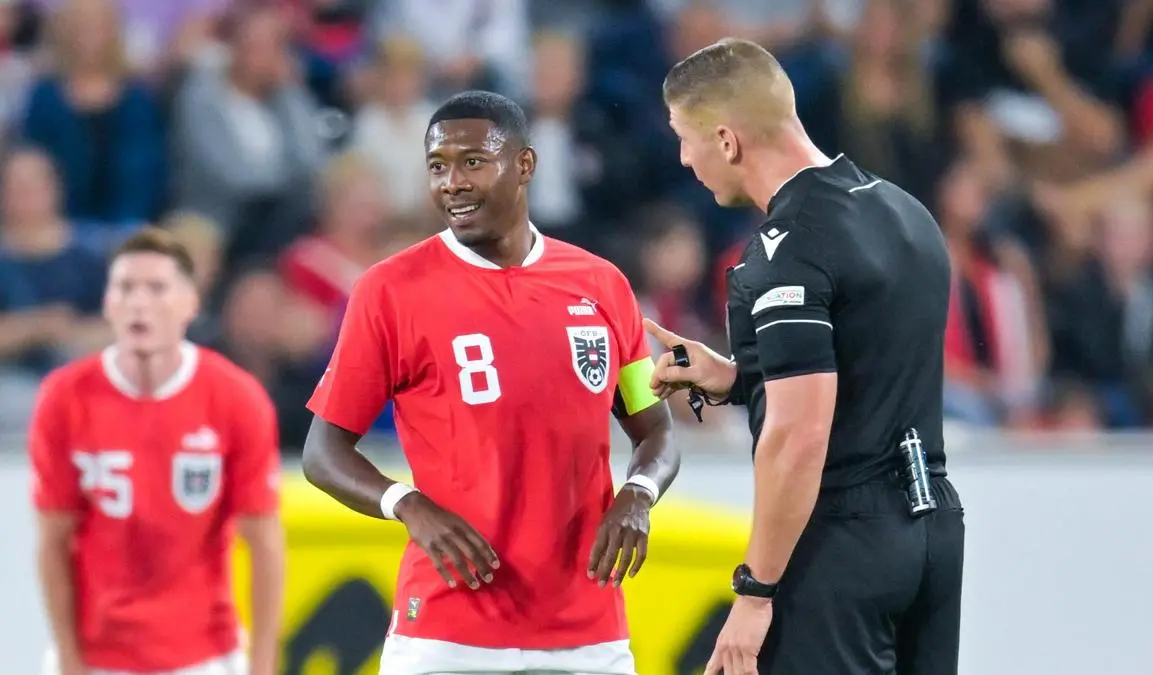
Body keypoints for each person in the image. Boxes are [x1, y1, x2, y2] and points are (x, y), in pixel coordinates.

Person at [301, 90, 678, 675]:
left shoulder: (602, 286)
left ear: (524, 165)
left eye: (472, 162)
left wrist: (640, 494)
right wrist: (409, 505)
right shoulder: (389, 291)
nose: (452, 182)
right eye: (437, 166)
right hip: (447, 633)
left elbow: (656, 430)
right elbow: (322, 453)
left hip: (589, 634)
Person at [646, 38, 965, 675]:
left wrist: (755, 591)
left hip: (841, 542)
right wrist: (739, 379)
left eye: (685, 137)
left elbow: (798, 436)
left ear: (727, 141)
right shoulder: (902, 210)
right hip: (933, 528)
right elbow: (872, 367)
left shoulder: (787, 249)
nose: (683, 158)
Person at [28, 228, 285, 675]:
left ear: (191, 303)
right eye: (125, 288)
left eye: (157, 288)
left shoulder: (236, 399)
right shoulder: (64, 398)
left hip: (204, 655)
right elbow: (53, 541)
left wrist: (262, 665)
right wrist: (68, 657)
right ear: (107, 303)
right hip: (96, 656)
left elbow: (264, 542)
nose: (139, 303)